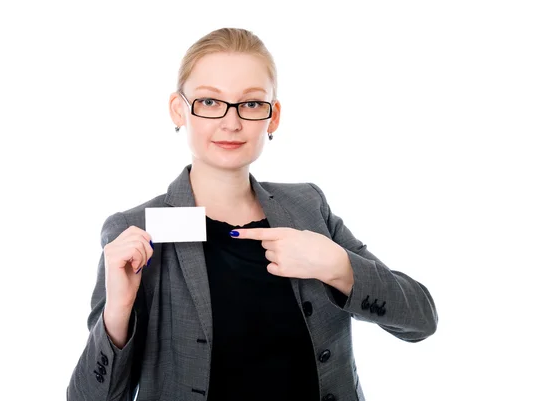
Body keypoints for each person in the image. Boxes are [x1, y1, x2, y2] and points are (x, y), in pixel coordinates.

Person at [67, 27, 438, 401]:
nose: (231, 122)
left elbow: (421, 320)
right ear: (179, 109)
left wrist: (338, 266)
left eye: (251, 103)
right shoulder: (136, 231)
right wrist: (116, 313)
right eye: (210, 102)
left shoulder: (309, 206)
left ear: (273, 116)